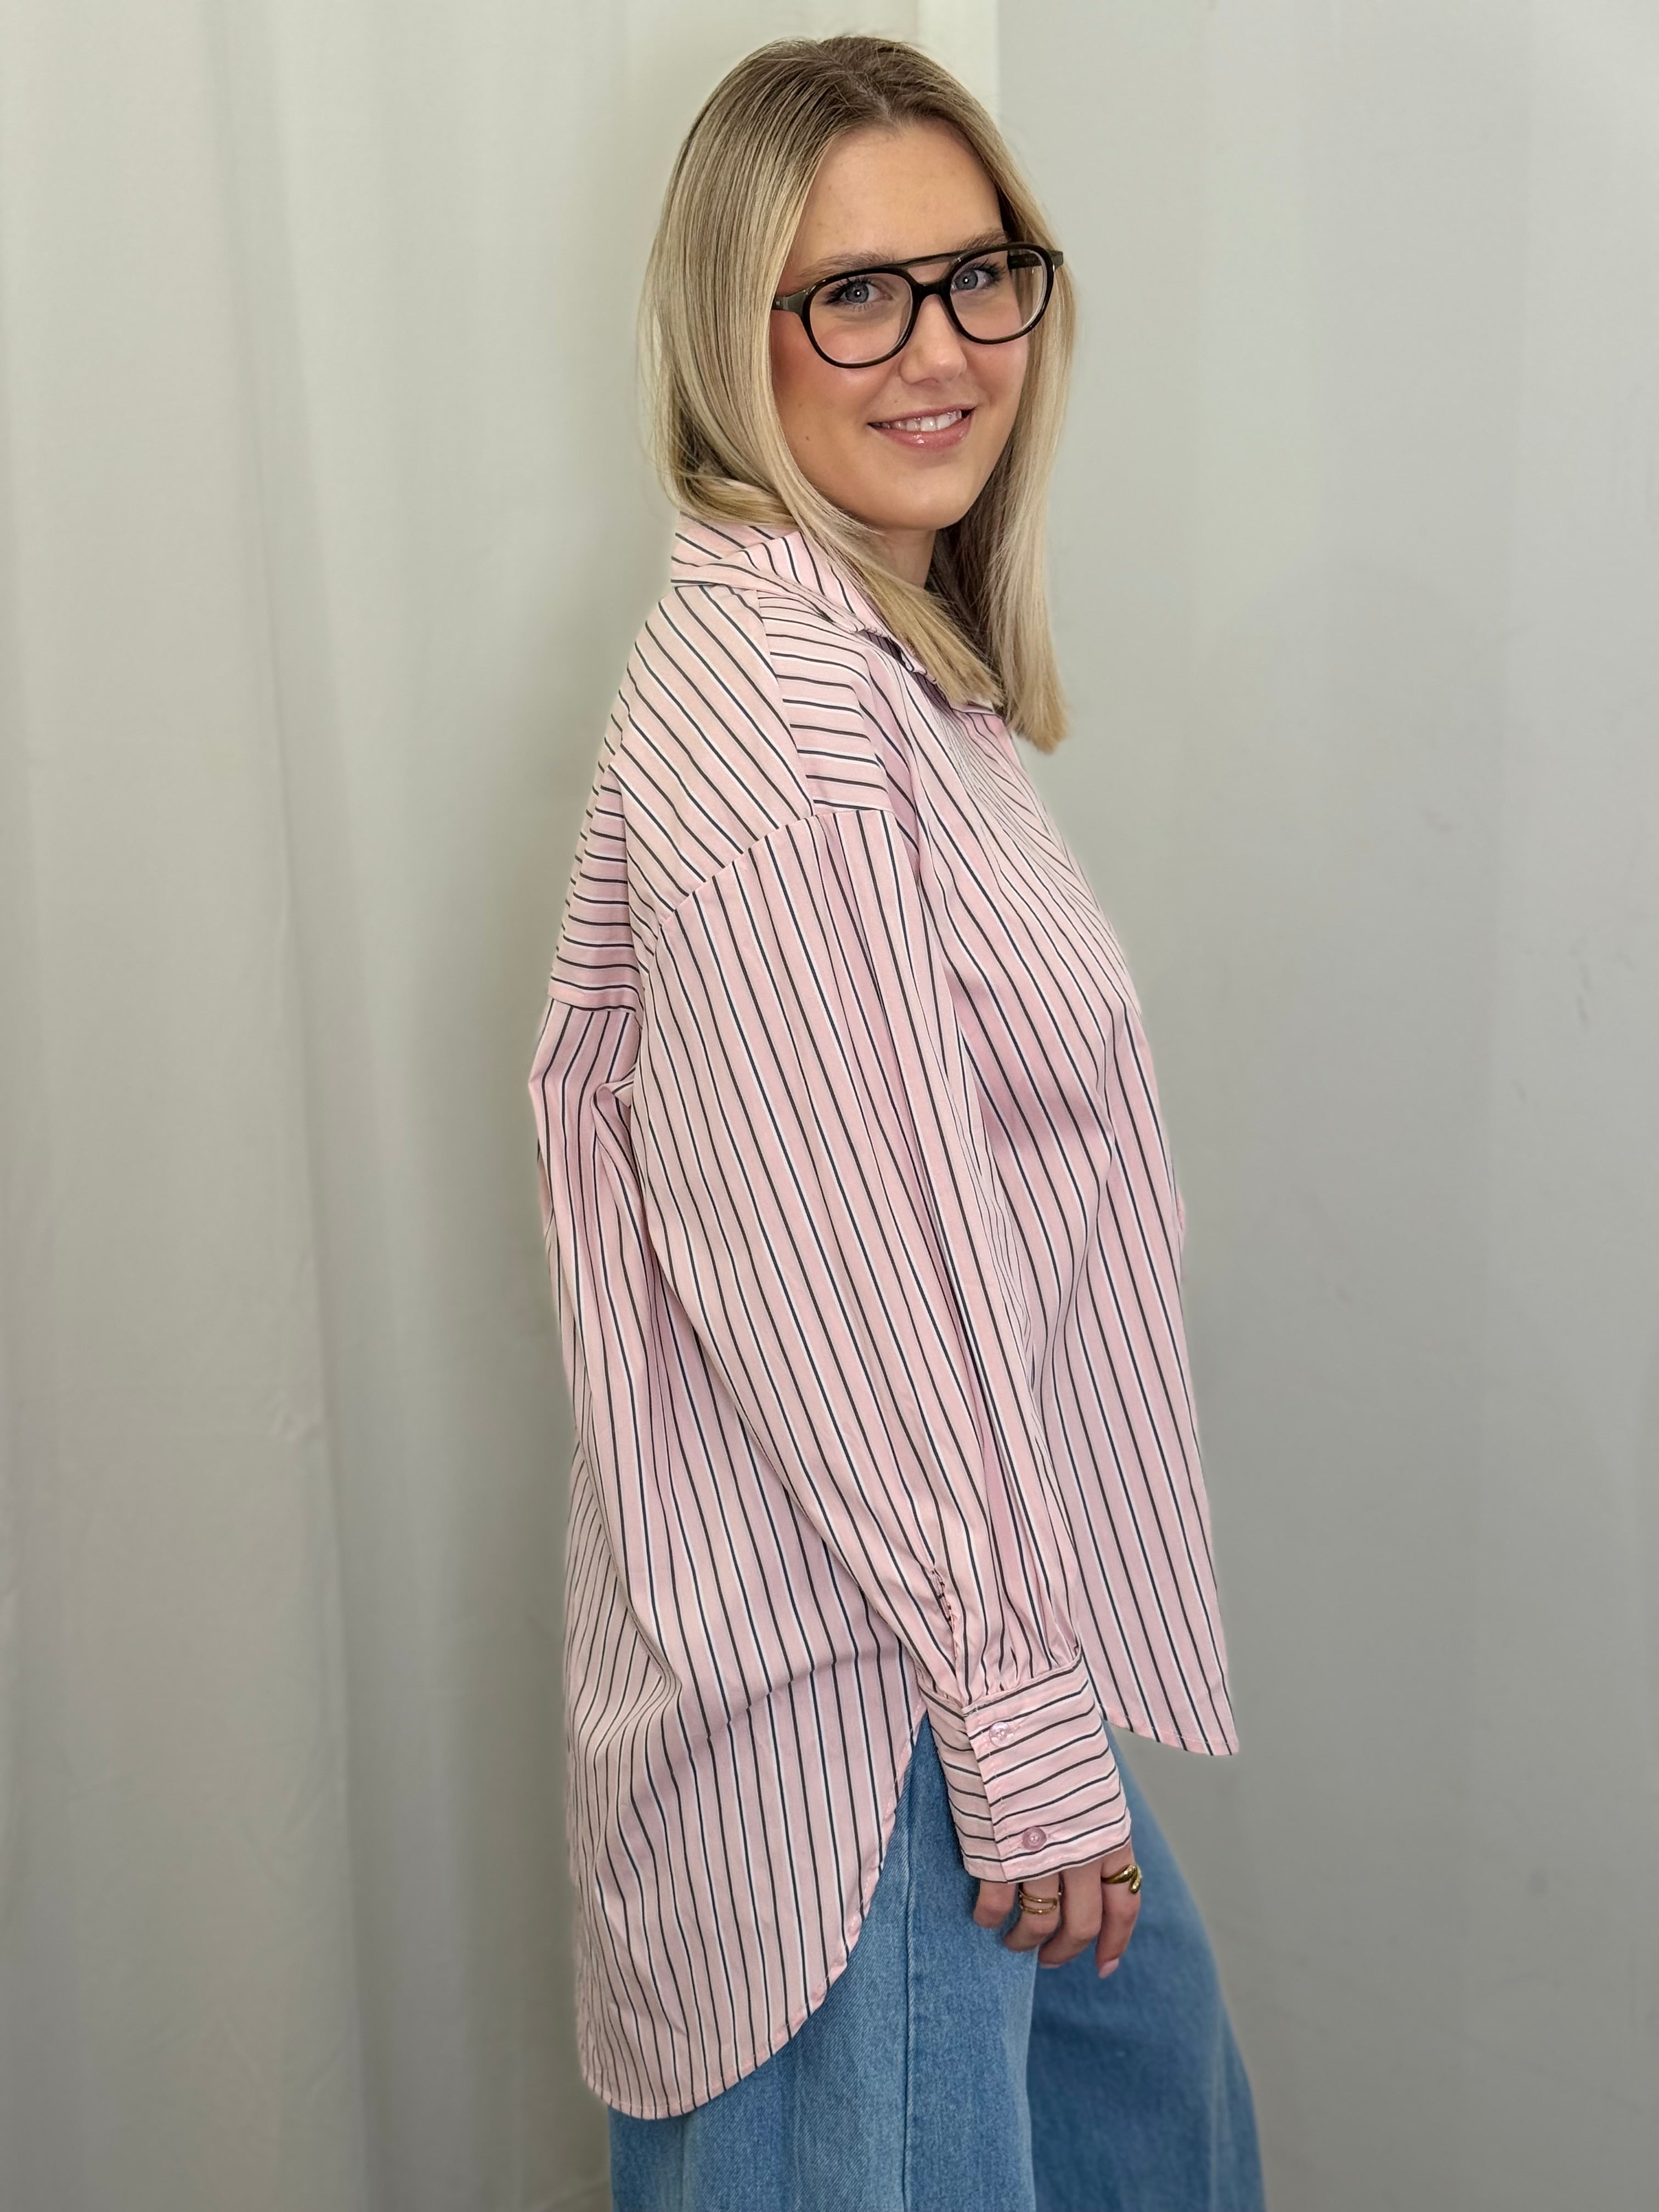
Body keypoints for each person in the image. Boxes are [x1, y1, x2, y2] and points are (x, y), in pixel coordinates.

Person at [529, 33, 1263, 2212]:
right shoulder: (788, 726)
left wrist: (1025, 1694)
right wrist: (1014, 1720)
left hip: (936, 1667)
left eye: (978, 275)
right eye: (856, 293)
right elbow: (862, 1287)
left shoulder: (878, 672)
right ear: (734, 333)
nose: (941, 350)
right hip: (872, 1727)